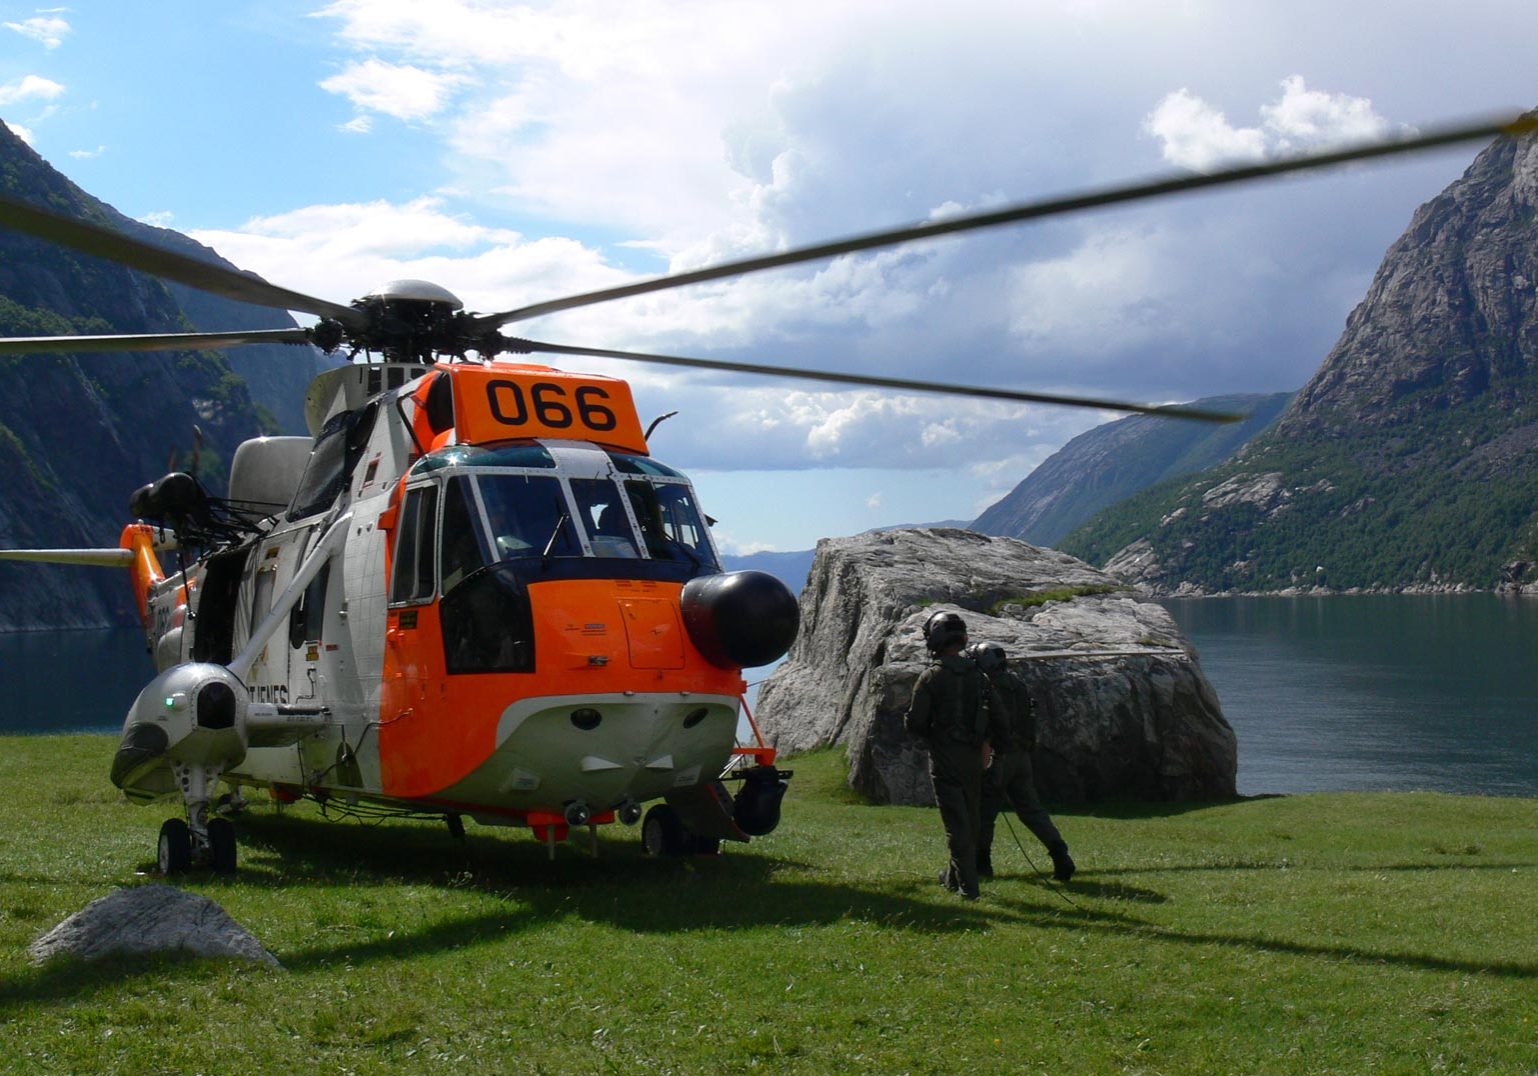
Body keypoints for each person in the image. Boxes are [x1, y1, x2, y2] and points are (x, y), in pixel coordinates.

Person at [903, 611, 1005, 901]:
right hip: (974, 758)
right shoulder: (979, 676)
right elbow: (998, 716)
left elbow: (916, 723)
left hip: (945, 757)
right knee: (970, 818)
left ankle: (968, 889)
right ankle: (951, 878)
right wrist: (988, 745)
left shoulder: (931, 677)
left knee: (956, 824)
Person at [968, 641, 1076, 882]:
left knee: (984, 812)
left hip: (998, 757)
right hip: (1022, 758)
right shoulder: (1018, 685)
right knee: (1032, 811)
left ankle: (981, 863)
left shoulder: (986, 687)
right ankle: (1060, 854)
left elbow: (983, 722)